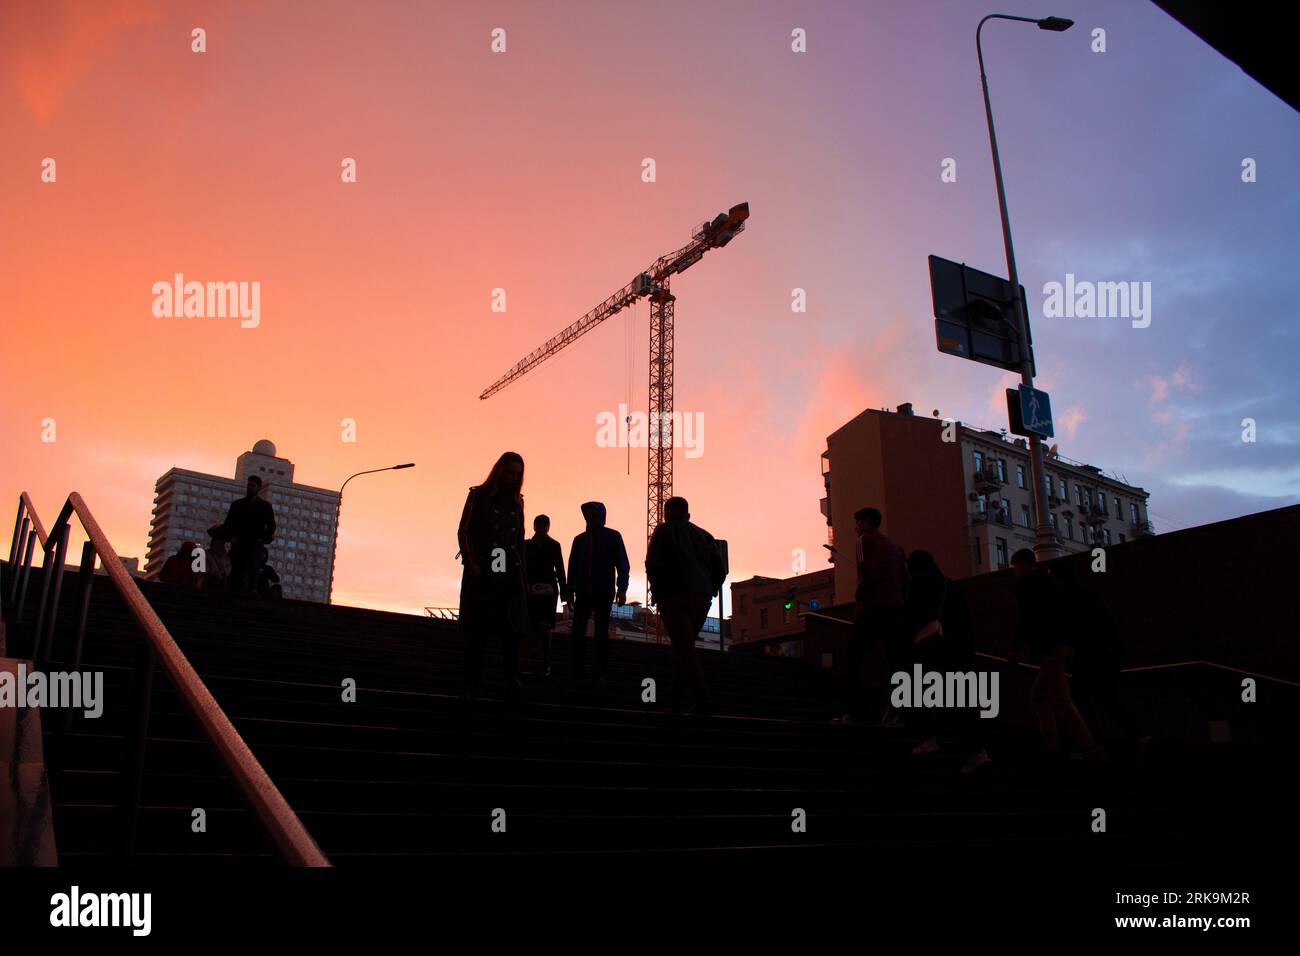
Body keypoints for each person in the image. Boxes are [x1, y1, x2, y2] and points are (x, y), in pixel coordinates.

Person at [1009, 549, 1100, 761]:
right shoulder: (1051, 582)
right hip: (1063, 646)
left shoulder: (1027, 585)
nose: (1014, 572)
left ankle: (1088, 748)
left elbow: (1026, 619)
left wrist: (1015, 649)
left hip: (1048, 649)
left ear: (1022, 564)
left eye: (1015, 567)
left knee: (1061, 700)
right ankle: (1051, 743)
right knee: (1038, 696)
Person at [903, 550, 989, 770]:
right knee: (959, 699)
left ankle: (938, 741)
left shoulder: (919, 586)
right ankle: (973, 749)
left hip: (935, 652)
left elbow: (911, 618)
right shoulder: (949, 585)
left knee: (933, 697)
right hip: (959, 651)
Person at [457, 452, 529, 701]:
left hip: (510, 574)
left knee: (512, 631)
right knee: (478, 631)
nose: (514, 477)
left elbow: (520, 540)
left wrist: (523, 576)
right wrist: (471, 561)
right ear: (500, 471)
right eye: (510, 471)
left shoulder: (519, 502)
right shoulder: (478, 495)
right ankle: (472, 683)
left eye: (518, 473)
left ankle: (511, 679)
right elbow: (464, 529)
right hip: (484, 572)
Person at [646, 497, 724, 716]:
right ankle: (676, 701)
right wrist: (711, 589)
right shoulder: (705, 535)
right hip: (701, 597)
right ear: (688, 515)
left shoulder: (663, 532)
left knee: (685, 650)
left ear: (665, 514)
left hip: (673, 596)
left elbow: (652, 564)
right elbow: (720, 568)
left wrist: (658, 591)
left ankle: (702, 699)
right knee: (684, 648)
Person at [838, 506, 908, 726]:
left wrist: (859, 595)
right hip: (895, 608)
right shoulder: (896, 547)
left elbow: (869, 572)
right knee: (896, 661)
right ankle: (900, 714)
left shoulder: (864, 541)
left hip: (872, 608)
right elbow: (905, 581)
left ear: (867, 523)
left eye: (858, 523)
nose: (855, 528)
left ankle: (853, 713)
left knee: (853, 659)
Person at [565, 501, 629, 683]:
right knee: (578, 633)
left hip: (603, 592)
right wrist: (569, 591)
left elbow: (622, 563)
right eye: (588, 514)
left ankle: (599, 671)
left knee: (601, 633)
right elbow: (573, 566)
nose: (591, 517)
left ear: (601, 515)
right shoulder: (579, 540)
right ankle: (577, 670)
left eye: (594, 514)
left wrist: (622, 588)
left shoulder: (612, 537)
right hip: (583, 592)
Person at [213, 476, 276, 594]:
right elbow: (229, 524)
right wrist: (231, 537)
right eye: (248, 485)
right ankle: (236, 592)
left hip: (254, 543)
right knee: (237, 569)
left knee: (253, 569)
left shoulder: (265, 506)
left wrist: (263, 538)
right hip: (239, 543)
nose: (249, 487)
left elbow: (271, 525)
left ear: (258, 487)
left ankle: (250, 591)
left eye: (252, 485)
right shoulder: (237, 505)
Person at [523, 514, 567, 677]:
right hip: (538, 589)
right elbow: (560, 570)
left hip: (542, 590)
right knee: (534, 627)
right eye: (541, 525)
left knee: (541, 627)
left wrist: (564, 592)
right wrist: (564, 592)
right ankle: (535, 662)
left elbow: (560, 569)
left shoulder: (549, 545)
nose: (542, 528)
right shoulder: (549, 545)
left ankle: (539, 662)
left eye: (543, 525)